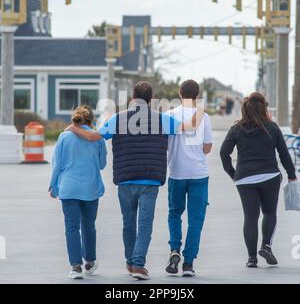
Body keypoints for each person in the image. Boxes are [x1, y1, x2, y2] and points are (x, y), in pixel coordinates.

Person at [66, 81, 204, 280]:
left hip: (125, 180)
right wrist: (199, 109)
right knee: (145, 224)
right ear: (150, 99)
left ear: (132, 98)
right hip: (150, 180)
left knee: (128, 223)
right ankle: (138, 265)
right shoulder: (162, 119)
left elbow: (93, 136)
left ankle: (131, 263)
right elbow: (190, 126)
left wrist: (73, 127)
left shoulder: (117, 119)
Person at [220, 92, 297, 268]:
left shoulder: (236, 129)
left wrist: (234, 174)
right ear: (264, 108)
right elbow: (284, 154)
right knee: (269, 212)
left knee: (250, 217)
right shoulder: (272, 127)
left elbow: (224, 153)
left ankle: (252, 258)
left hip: (244, 179)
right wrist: (291, 174)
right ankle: (266, 246)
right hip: (270, 176)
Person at [49, 105, 107, 279]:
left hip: (68, 188)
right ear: (91, 121)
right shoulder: (97, 138)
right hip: (91, 188)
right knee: (89, 226)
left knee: (71, 228)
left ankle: (76, 267)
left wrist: (53, 185)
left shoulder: (64, 137)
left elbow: (57, 164)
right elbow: (102, 164)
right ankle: (89, 261)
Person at [165, 80, 213, 277]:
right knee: (196, 219)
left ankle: (174, 249)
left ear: (179, 93)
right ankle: (188, 263)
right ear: (197, 95)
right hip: (198, 174)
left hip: (176, 172)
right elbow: (207, 147)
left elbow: (165, 144)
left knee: (174, 213)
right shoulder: (204, 117)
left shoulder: (168, 115)